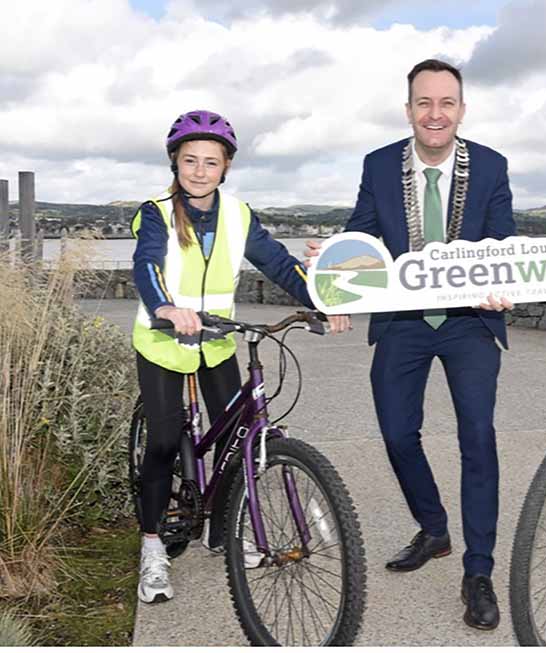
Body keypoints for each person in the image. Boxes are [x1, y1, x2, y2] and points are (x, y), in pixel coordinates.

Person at [307, 59, 515, 630]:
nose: (435, 113)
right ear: (408, 110)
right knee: (398, 432)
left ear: (461, 111)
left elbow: (503, 240)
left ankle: (478, 572)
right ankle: (434, 528)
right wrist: (332, 266)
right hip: (403, 319)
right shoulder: (379, 165)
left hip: (470, 322)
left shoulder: (491, 165)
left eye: (446, 103)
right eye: (424, 103)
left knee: (477, 438)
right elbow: (361, 234)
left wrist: (504, 282)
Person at [131, 110, 343, 604]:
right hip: (163, 340)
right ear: (175, 163)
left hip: (217, 340)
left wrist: (322, 300)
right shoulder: (156, 212)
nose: (200, 171)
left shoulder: (239, 215)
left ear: (226, 167)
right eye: (190, 161)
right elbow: (146, 264)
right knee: (163, 440)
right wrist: (165, 306)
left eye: (211, 162)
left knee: (236, 440)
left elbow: (279, 264)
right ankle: (153, 546)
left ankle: (223, 528)